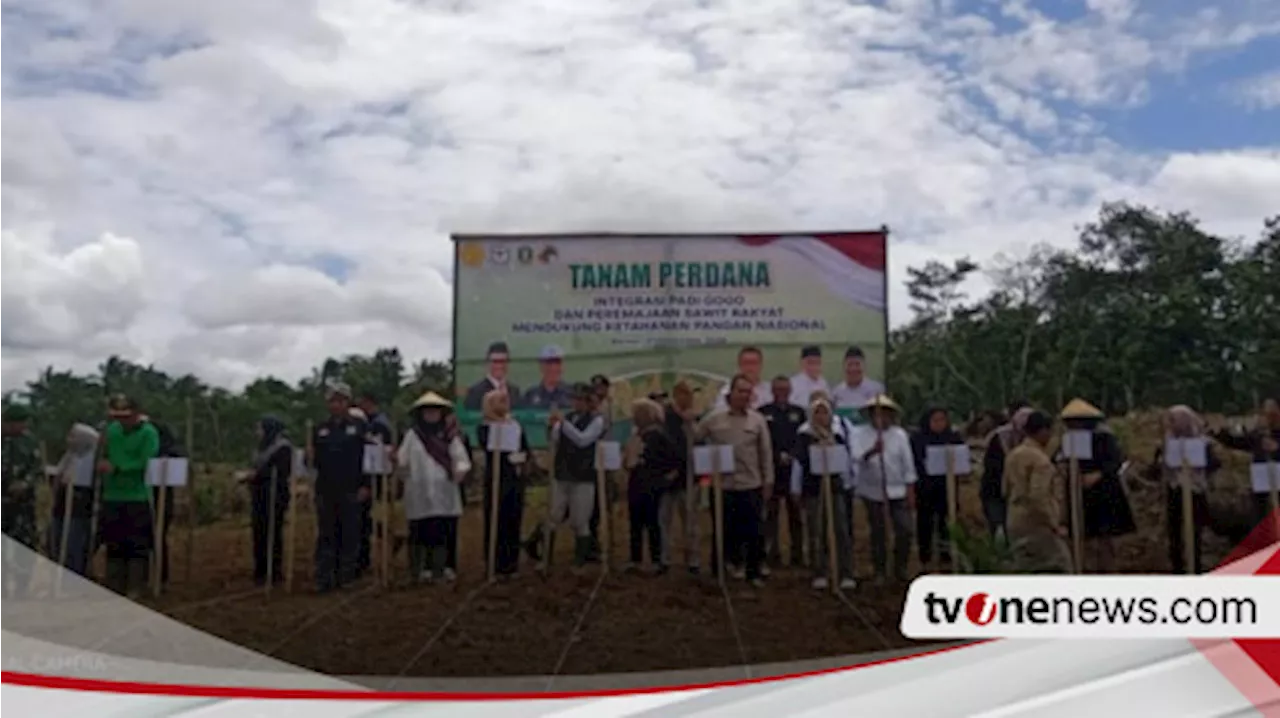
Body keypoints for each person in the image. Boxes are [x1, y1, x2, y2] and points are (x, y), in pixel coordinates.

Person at [695, 373, 774, 587]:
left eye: (748, 392)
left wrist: (768, 482)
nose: (745, 395)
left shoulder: (757, 420)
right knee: (723, 530)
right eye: (741, 391)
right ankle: (718, 572)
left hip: (751, 484)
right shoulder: (714, 418)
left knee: (754, 531)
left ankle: (753, 573)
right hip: (723, 486)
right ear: (731, 393)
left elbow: (765, 453)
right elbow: (695, 437)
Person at [1055, 398, 1137, 573]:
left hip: (1104, 491)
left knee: (1105, 535)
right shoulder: (1068, 439)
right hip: (1079, 491)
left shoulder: (1104, 437)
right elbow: (1060, 459)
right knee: (1083, 533)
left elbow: (1115, 461)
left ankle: (1107, 569)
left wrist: (1098, 474)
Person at [397, 392, 470, 583]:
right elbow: (402, 460)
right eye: (427, 411)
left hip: (445, 490)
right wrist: (395, 462)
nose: (431, 415)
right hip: (418, 491)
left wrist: (460, 470)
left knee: (444, 529)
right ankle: (421, 568)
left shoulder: (450, 435)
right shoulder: (412, 436)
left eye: (435, 411)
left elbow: (461, 458)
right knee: (420, 530)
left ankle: (446, 567)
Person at [97, 395, 161, 598]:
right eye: (116, 416)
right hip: (112, 495)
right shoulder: (111, 431)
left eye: (125, 416)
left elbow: (147, 462)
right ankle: (114, 583)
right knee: (114, 541)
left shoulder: (148, 433)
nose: (121, 420)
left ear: (135, 414)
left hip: (138, 496)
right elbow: (104, 453)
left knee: (137, 543)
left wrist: (119, 468)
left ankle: (136, 585)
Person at [790, 396, 856, 590]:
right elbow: (798, 464)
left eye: (824, 412)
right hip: (813, 490)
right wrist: (796, 488)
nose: (821, 417)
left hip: (836, 488)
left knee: (841, 530)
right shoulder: (804, 436)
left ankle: (846, 572)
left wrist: (849, 483)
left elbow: (847, 460)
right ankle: (820, 571)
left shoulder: (838, 435)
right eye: (817, 412)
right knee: (816, 530)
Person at [850, 394, 916, 584]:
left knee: (904, 529)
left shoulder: (900, 435)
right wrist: (872, 451)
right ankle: (879, 569)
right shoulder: (859, 433)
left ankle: (900, 567)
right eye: (877, 414)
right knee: (878, 531)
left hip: (897, 490)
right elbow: (856, 457)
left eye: (885, 414)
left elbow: (908, 465)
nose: (881, 418)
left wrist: (910, 489)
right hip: (872, 491)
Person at [1147, 405, 1221, 574]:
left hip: (1195, 492)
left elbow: (1215, 464)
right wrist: (1159, 464)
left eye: (1175, 421)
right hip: (1174, 492)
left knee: (1194, 534)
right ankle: (1178, 570)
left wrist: (1197, 462)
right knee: (1174, 534)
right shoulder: (1166, 444)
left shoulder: (1202, 443)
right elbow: (1153, 471)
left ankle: (1195, 568)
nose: (1172, 424)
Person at [310, 383, 369, 593]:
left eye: (341, 400)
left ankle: (347, 576)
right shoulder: (320, 429)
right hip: (326, 488)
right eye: (333, 400)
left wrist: (366, 485)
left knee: (350, 532)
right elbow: (314, 461)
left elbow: (368, 459)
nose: (337, 404)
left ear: (348, 402)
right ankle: (324, 577)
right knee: (326, 533)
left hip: (352, 488)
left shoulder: (359, 427)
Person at [1003, 410, 1072, 573]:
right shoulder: (1040, 461)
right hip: (1037, 524)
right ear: (1043, 431)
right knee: (1061, 566)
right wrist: (1054, 525)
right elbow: (1038, 497)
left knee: (1025, 570)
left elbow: (1005, 488)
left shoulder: (1013, 454)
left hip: (1015, 519)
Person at [546, 384, 606, 569]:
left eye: (581, 399)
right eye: (575, 399)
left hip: (583, 475)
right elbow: (555, 439)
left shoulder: (597, 421)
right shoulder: (569, 418)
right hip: (562, 473)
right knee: (554, 515)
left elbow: (583, 440)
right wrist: (553, 427)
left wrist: (563, 424)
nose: (577, 403)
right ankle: (546, 557)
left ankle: (580, 560)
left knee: (580, 519)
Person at [476, 390, 530, 579]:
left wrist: (521, 458)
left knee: (513, 518)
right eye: (500, 400)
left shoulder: (515, 425)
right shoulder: (485, 426)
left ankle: (511, 563)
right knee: (496, 519)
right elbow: (489, 448)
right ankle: (495, 563)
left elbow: (525, 448)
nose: (505, 402)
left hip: (514, 478)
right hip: (497, 479)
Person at [624, 398, 681, 574]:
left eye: (638, 414)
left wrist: (665, 481)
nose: (635, 417)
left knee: (652, 523)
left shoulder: (660, 436)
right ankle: (636, 559)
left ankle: (657, 560)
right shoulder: (637, 436)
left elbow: (676, 462)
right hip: (636, 483)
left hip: (652, 485)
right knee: (635, 523)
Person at [759, 375, 806, 571]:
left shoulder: (799, 412)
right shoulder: (763, 412)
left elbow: (804, 438)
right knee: (771, 515)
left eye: (785, 389)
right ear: (772, 390)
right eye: (778, 389)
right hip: (772, 471)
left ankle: (797, 555)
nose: (781, 392)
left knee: (796, 515)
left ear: (790, 390)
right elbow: (762, 441)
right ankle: (772, 553)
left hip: (793, 472)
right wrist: (776, 455)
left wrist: (793, 455)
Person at [237, 416, 292, 586]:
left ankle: (273, 570)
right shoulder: (260, 448)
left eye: (260, 429)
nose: (257, 432)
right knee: (258, 532)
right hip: (259, 495)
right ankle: (260, 569)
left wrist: (254, 476)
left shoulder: (283, 448)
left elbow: (278, 472)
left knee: (272, 532)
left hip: (275, 495)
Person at [1212, 397, 1280, 528]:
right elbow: (1240, 442)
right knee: (1261, 516)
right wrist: (1221, 434)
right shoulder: (1259, 434)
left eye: (1271, 411)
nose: (1267, 415)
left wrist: (1277, 448)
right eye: (1265, 411)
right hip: (1262, 482)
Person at [910, 405, 963, 568]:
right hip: (925, 488)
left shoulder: (953, 437)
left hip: (946, 488)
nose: (939, 424)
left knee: (946, 523)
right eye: (936, 420)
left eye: (943, 420)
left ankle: (946, 556)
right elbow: (914, 463)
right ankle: (924, 558)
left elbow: (961, 460)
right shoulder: (918, 439)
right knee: (925, 523)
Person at [658, 381, 702, 574]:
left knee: (691, 522)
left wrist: (691, 422)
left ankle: (693, 560)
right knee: (664, 520)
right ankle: (664, 559)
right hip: (667, 478)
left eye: (689, 395)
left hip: (690, 478)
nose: (687, 398)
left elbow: (700, 443)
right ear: (676, 395)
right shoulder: (665, 418)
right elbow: (662, 446)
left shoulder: (693, 419)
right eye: (683, 394)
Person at [0, 404, 41, 597]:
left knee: (24, 546)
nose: (23, 426)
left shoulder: (30, 442)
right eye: (19, 422)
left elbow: (36, 468)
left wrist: (25, 483)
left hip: (22, 504)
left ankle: (21, 589)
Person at [48, 422, 99, 577]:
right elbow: (59, 477)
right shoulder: (69, 455)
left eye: (73, 436)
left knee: (74, 544)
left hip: (78, 507)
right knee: (56, 541)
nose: (69, 440)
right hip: (61, 505)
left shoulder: (91, 458)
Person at [140, 413, 183, 587]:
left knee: (157, 537)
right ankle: (146, 577)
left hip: (161, 499)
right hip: (143, 498)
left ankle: (161, 577)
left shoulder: (169, 451)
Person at [356, 393, 395, 579]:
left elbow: (381, 451)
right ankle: (386, 534)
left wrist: (374, 481)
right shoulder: (369, 422)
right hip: (368, 475)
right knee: (363, 517)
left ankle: (365, 557)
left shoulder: (378, 424)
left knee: (363, 517)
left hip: (373, 475)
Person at [981, 401, 1032, 540]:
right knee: (999, 526)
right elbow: (991, 465)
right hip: (996, 489)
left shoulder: (1034, 438)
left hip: (1022, 492)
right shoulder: (999, 437)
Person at [586, 373, 613, 561]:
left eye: (602, 387)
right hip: (590, 460)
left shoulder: (609, 407)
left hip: (605, 457)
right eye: (596, 388)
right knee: (590, 504)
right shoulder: (590, 409)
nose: (599, 391)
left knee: (602, 502)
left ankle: (594, 542)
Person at [464, 342, 520, 411]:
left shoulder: (514, 391)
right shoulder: (476, 392)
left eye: (503, 361)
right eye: (495, 361)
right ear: (488, 363)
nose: (500, 366)